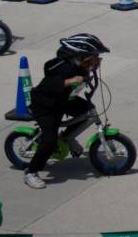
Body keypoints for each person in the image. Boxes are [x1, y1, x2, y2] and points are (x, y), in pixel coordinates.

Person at [24, 34, 109, 189]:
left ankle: (67, 138)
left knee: (88, 112)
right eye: (94, 57)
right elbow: (49, 79)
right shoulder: (62, 66)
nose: (97, 60)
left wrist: (90, 71)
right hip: (45, 105)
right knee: (49, 141)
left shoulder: (81, 67)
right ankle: (31, 172)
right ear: (82, 56)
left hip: (63, 100)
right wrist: (70, 81)